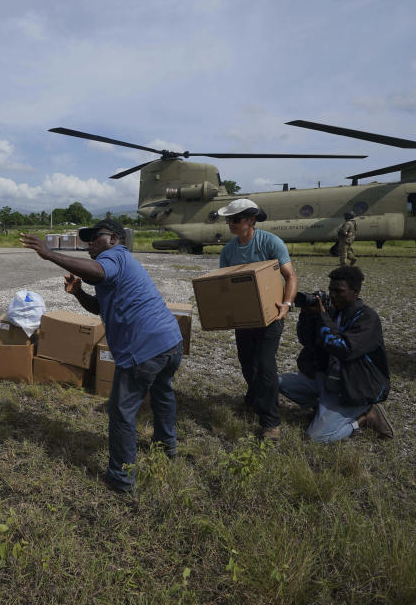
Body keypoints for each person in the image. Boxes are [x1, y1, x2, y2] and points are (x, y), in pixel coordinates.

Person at [20, 219, 184, 493]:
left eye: (97, 237)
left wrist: (49, 254)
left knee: (121, 413)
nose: (91, 243)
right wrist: (79, 293)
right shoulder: (119, 264)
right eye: (88, 239)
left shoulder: (114, 256)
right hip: (170, 343)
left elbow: (97, 271)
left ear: (115, 239)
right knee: (162, 393)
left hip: (143, 350)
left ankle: (121, 480)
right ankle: (167, 446)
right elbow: (99, 307)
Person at [279, 266, 393, 441]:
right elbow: (307, 341)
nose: (332, 296)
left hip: (352, 389)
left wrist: (324, 318)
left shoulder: (367, 319)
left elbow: (344, 349)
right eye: (331, 290)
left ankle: (366, 416)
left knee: (315, 437)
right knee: (274, 382)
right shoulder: (333, 312)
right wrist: (308, 316)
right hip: (327, 380)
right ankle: (323, 409)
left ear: (355, 292)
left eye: (339, 291)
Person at [217, 198, 298, 440]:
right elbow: (223, 284)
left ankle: (270, 422)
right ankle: (255, 398)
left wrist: (287, 304)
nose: (231, 223)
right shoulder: (228, 251)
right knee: (246, 361)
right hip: (244, 317)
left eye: (236, 219)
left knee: (265, 364)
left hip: (272, 314)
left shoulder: (271, 242)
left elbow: (290, 276)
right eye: (228, 220)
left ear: (251, 221)